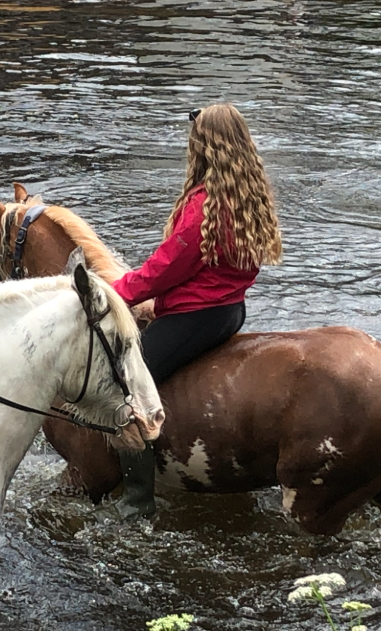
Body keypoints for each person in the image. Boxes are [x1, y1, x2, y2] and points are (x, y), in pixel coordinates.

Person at [109, 103, 283, 520]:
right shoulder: (248, 195)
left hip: (197, 316)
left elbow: (162, 269)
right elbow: (207, 271)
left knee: (126, 388)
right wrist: (159, 303)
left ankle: (136, 501)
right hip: (228, 309)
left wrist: (111, 293)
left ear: (204, 146)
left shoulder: (203, 206)